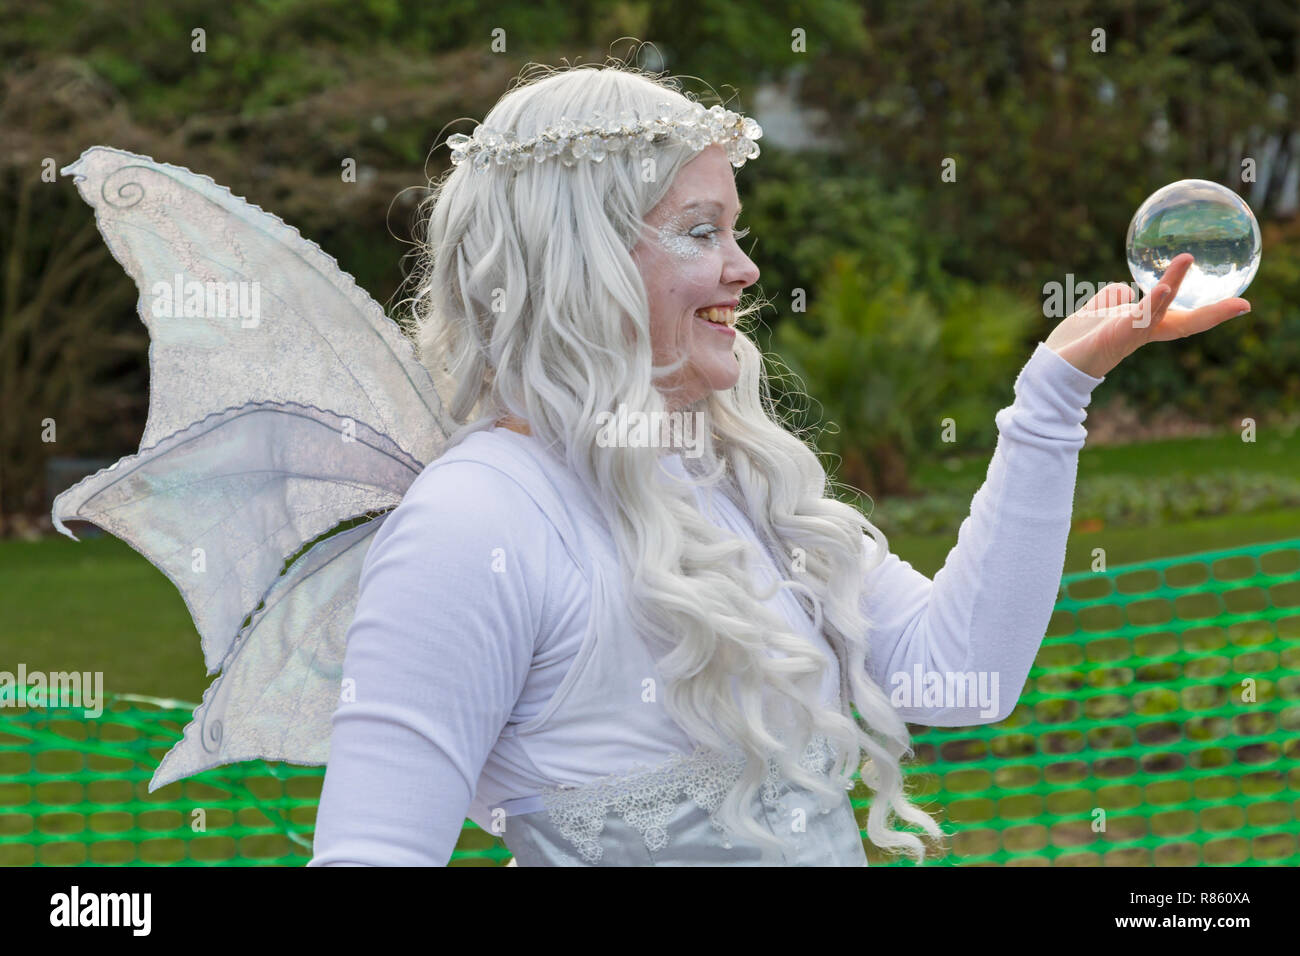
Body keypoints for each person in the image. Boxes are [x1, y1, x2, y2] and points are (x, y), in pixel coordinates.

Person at [305, 60, 1250, 867]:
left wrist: (1053, 398)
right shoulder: (476, 523)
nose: (745, 269)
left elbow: (965, 673)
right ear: (576, 259)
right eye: (700, 230)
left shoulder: (736, 479)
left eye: (737, 231)